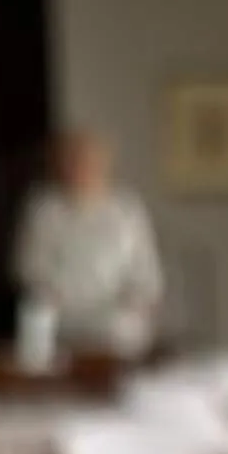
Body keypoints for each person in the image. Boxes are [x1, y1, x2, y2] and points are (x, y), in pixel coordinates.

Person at [11, 129, 164, 359]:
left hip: (116, 320)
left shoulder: (127, 209)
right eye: (73, 161)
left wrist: (136, 300)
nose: (80, 168)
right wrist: (51, 296)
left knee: (125, 332)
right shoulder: (44, 210)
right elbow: (30, 267)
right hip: (63, 317)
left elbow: (146, 270)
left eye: (88, 161)